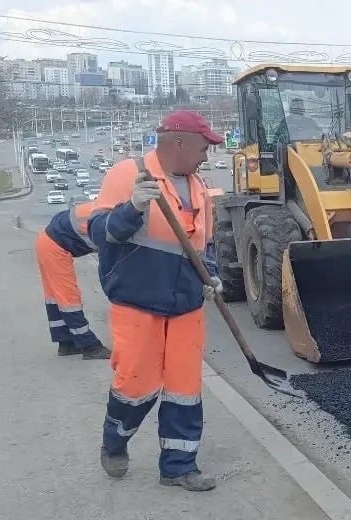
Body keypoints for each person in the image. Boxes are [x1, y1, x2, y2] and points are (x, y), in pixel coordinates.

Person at [87, 110, 222, 492]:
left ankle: (179, 467)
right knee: (135, 385)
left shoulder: (199, 186)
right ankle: (114, 443)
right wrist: (131, 209)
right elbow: (100, 232)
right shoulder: (129, 175)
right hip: (138, 303)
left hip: (186, 305)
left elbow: (203, 245)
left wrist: (211, 277)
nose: (207, 156)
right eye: (203, 147)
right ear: (178, 142)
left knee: (184, 388)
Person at [34, 201, 112, 359]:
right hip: (55, 247)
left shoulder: (105, 207)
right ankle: (90, 346)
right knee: (68, 300)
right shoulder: (111, 220)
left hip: (47, 242)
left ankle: (66, 342)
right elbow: (108, 262)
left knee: (55, 298)